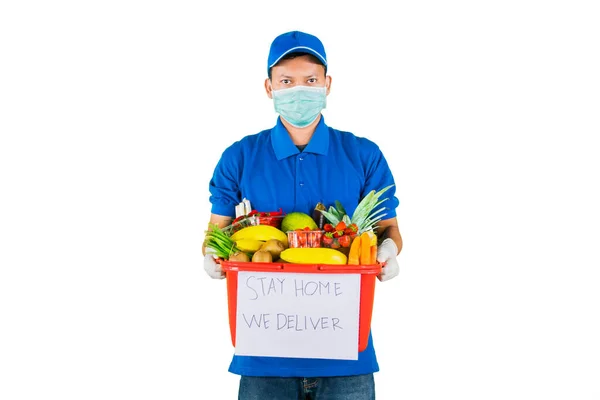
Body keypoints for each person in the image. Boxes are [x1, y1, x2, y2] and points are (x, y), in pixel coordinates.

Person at [203, 30, 403, 400]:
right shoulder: (240, 156)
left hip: (347, 358)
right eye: (286, 81)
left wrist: (389, 252)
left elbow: (389, 228)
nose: (299, 90)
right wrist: (210, 257)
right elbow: (216, 231)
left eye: (310, 80)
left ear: (327, 84)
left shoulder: (363, 154)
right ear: (269, 87)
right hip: (263, 358)